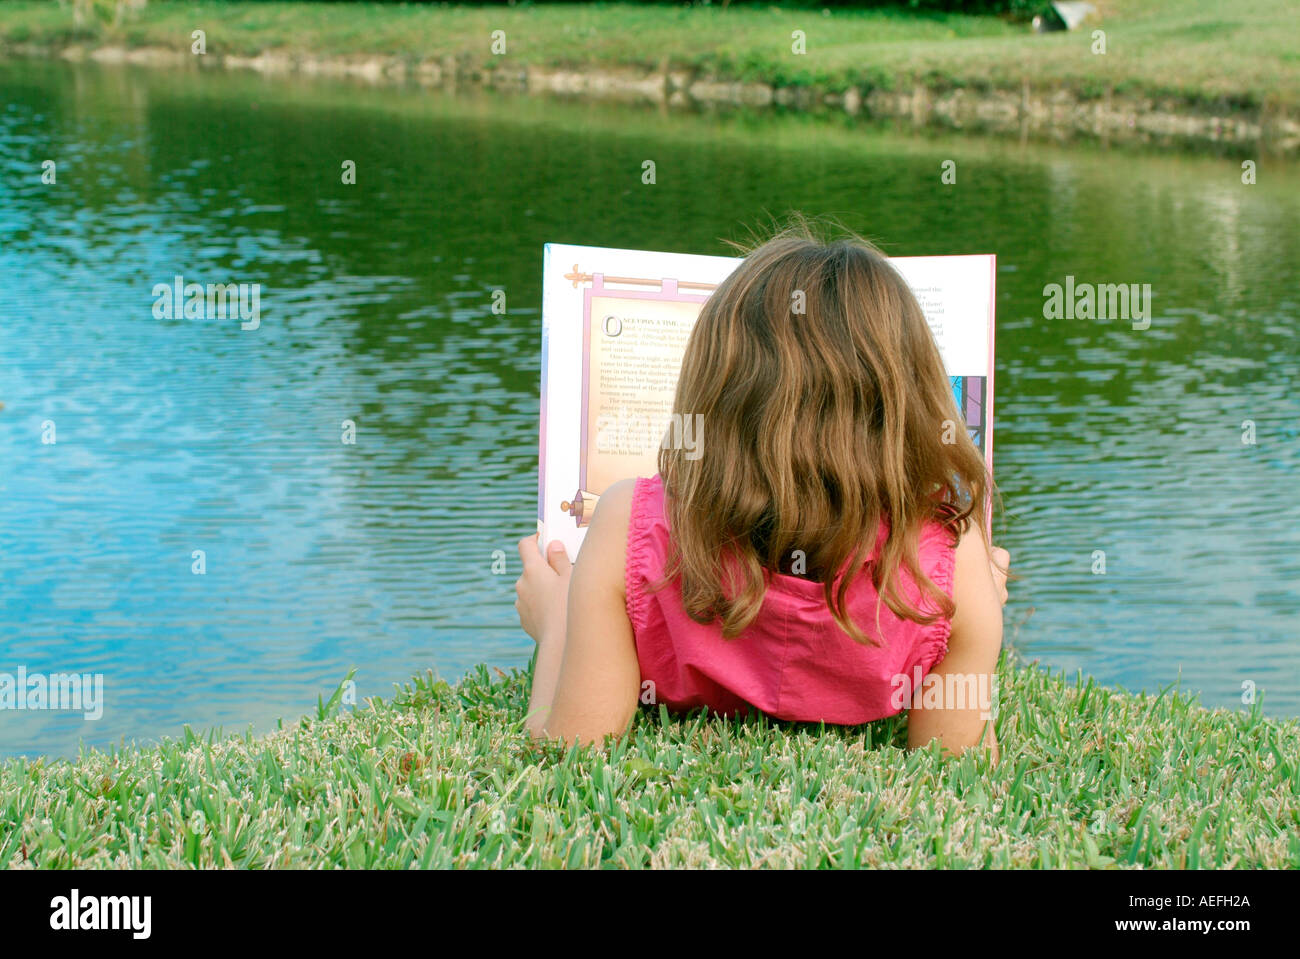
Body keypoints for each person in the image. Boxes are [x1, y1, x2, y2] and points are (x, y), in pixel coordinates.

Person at [516, 221, 1009, 758]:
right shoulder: (950, 562)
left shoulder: (626, 523)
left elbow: (570, 753)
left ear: (713, 392)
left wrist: (558, 622)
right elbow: (958, 763)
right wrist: (978, 607)